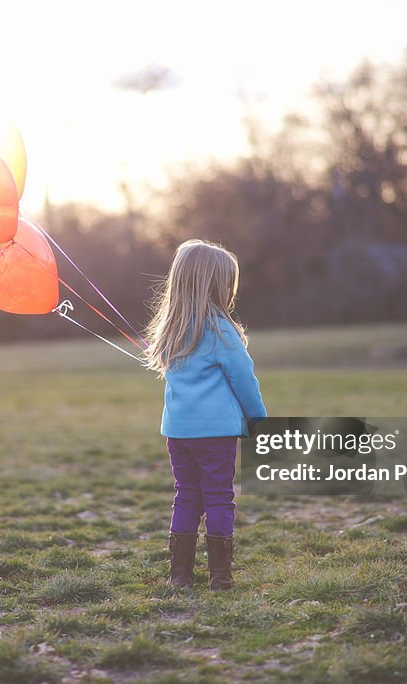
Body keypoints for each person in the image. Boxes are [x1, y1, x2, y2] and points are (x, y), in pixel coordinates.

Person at [144, 239, 267, 590]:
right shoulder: (221, 332)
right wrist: (257, 417)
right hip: (216, 435)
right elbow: (244, 380)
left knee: (186, 495)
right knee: (217, 496)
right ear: (217, 286)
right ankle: (220, 576)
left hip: (178, 435)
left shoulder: (169, 331)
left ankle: (179, 576)